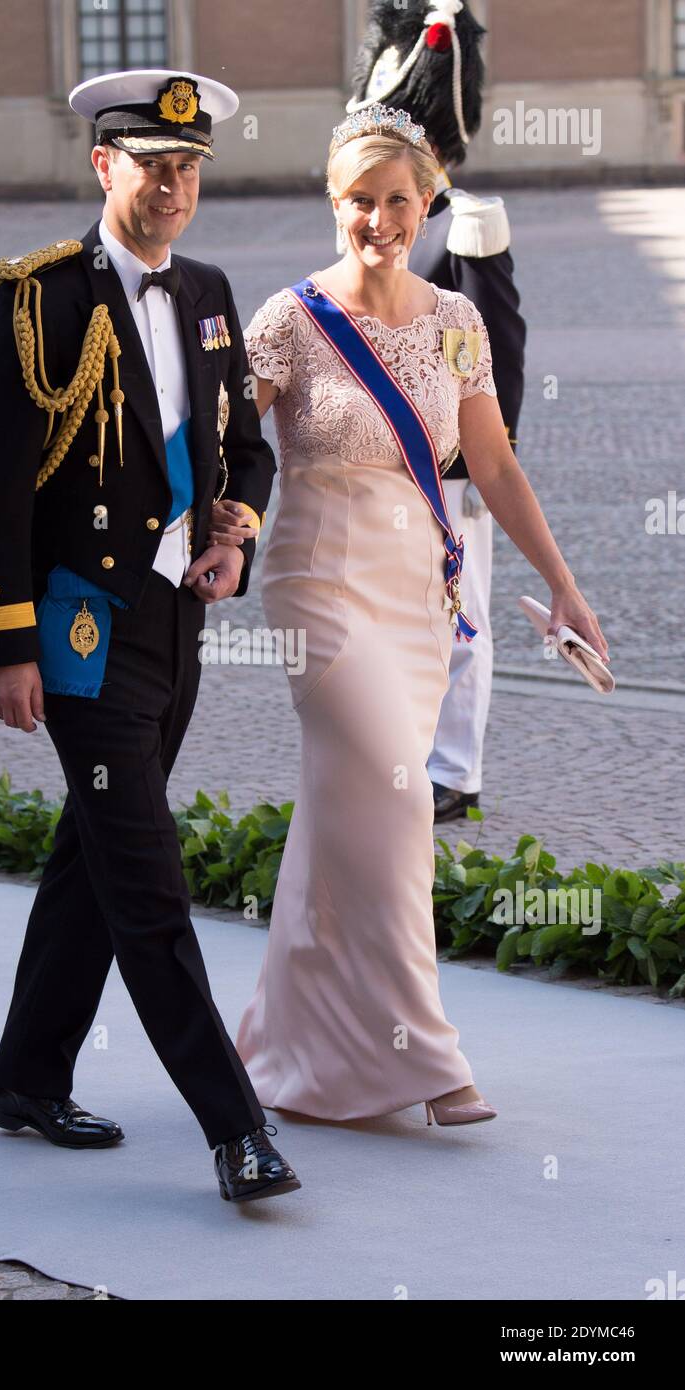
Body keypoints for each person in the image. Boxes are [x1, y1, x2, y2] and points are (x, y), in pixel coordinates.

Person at [211, 104, 608, 1126]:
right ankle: (426, 1055)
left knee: (340, 820)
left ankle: (287, 1051)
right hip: (319, 590)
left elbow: (495, 464)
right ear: (331, 201)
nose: (379, 219)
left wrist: (563, 585)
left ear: (426, 204)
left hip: (419, 598)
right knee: (393, 803)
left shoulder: (455, 322)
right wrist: (200, 532)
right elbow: (220, 450)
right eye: (359, 200)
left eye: (398, 201)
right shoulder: (288, 321)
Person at [0, 68, 299, 1203]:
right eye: (154, 165)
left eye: (189, 167)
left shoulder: (205, 288)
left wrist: (232, 531)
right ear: (104, 165)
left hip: (175, 619)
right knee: (148, 878)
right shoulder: (34, 301)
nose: (174, 186)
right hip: (81, 630)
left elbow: (242, 445)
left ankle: (25, 1074)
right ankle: (233, 1128)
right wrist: (5, 645)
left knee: (93, 860)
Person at [350, 0, 527, 821]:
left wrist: (477, 463)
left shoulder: (467, 229)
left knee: (459, 616)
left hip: (448, 460)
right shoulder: (377, 230)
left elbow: (496, 359)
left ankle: (453, 769)